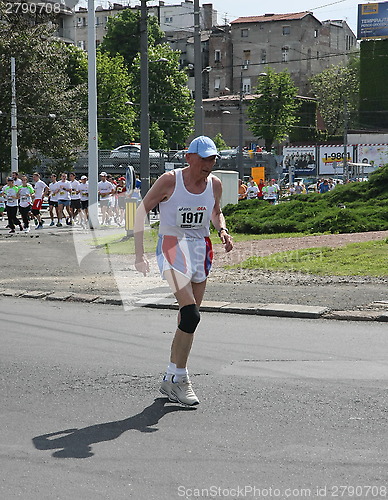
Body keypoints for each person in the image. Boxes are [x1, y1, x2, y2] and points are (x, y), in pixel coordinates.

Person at [134, 136, 233, 407]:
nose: (209, 164)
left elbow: (216, 211)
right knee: (190, 313)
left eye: (213, 159)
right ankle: (182, 378)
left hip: (201, 248)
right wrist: (139, 253)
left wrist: (222, 229)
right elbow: (141, 212)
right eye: (204, 158)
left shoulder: (214, 184)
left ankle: (171, 376)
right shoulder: (170, 180)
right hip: (171, 246)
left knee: (188, 320)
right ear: (189, 157)